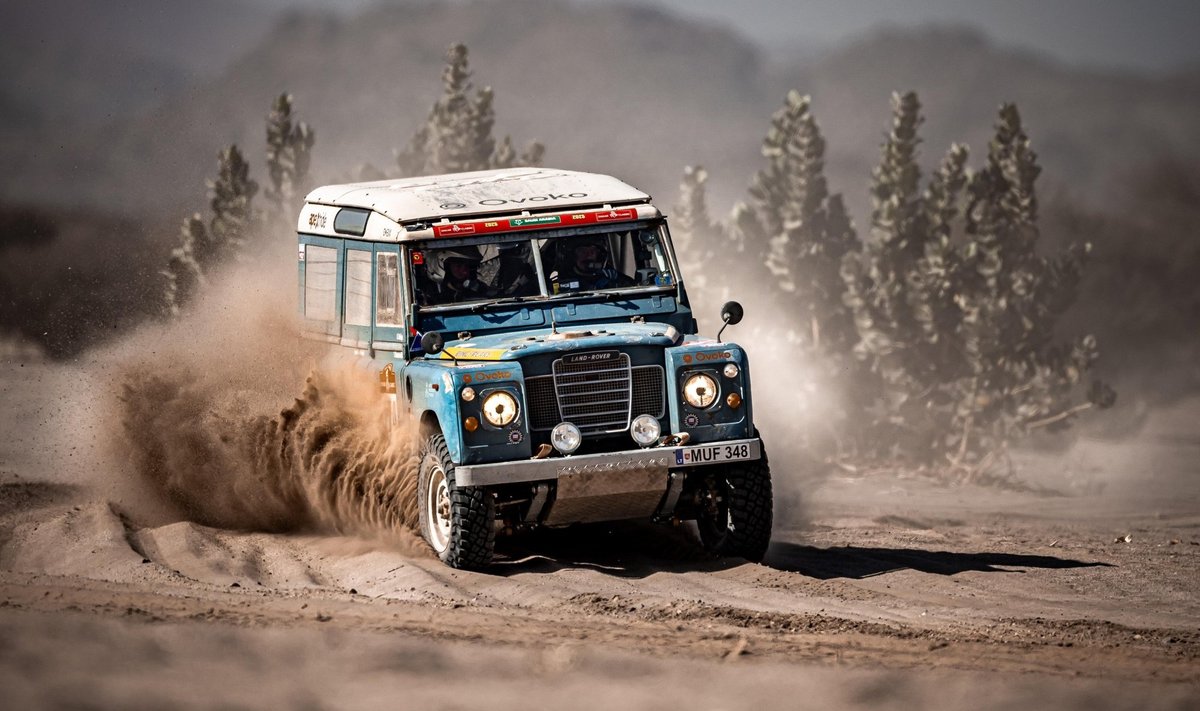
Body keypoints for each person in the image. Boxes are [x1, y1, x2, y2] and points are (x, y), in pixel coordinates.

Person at [554, 237, 630, 291]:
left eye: (593, 251)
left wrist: (617, 282)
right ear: (572, 257)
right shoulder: (563, 282)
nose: (589, 256)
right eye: (583, 252)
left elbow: (634, 287)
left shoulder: (610, 276)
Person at [423, 246, 489, 304]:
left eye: (468, 266)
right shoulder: (431, 293)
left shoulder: (479, 288)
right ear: (446, 267)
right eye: (458, 266)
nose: (464, 271)